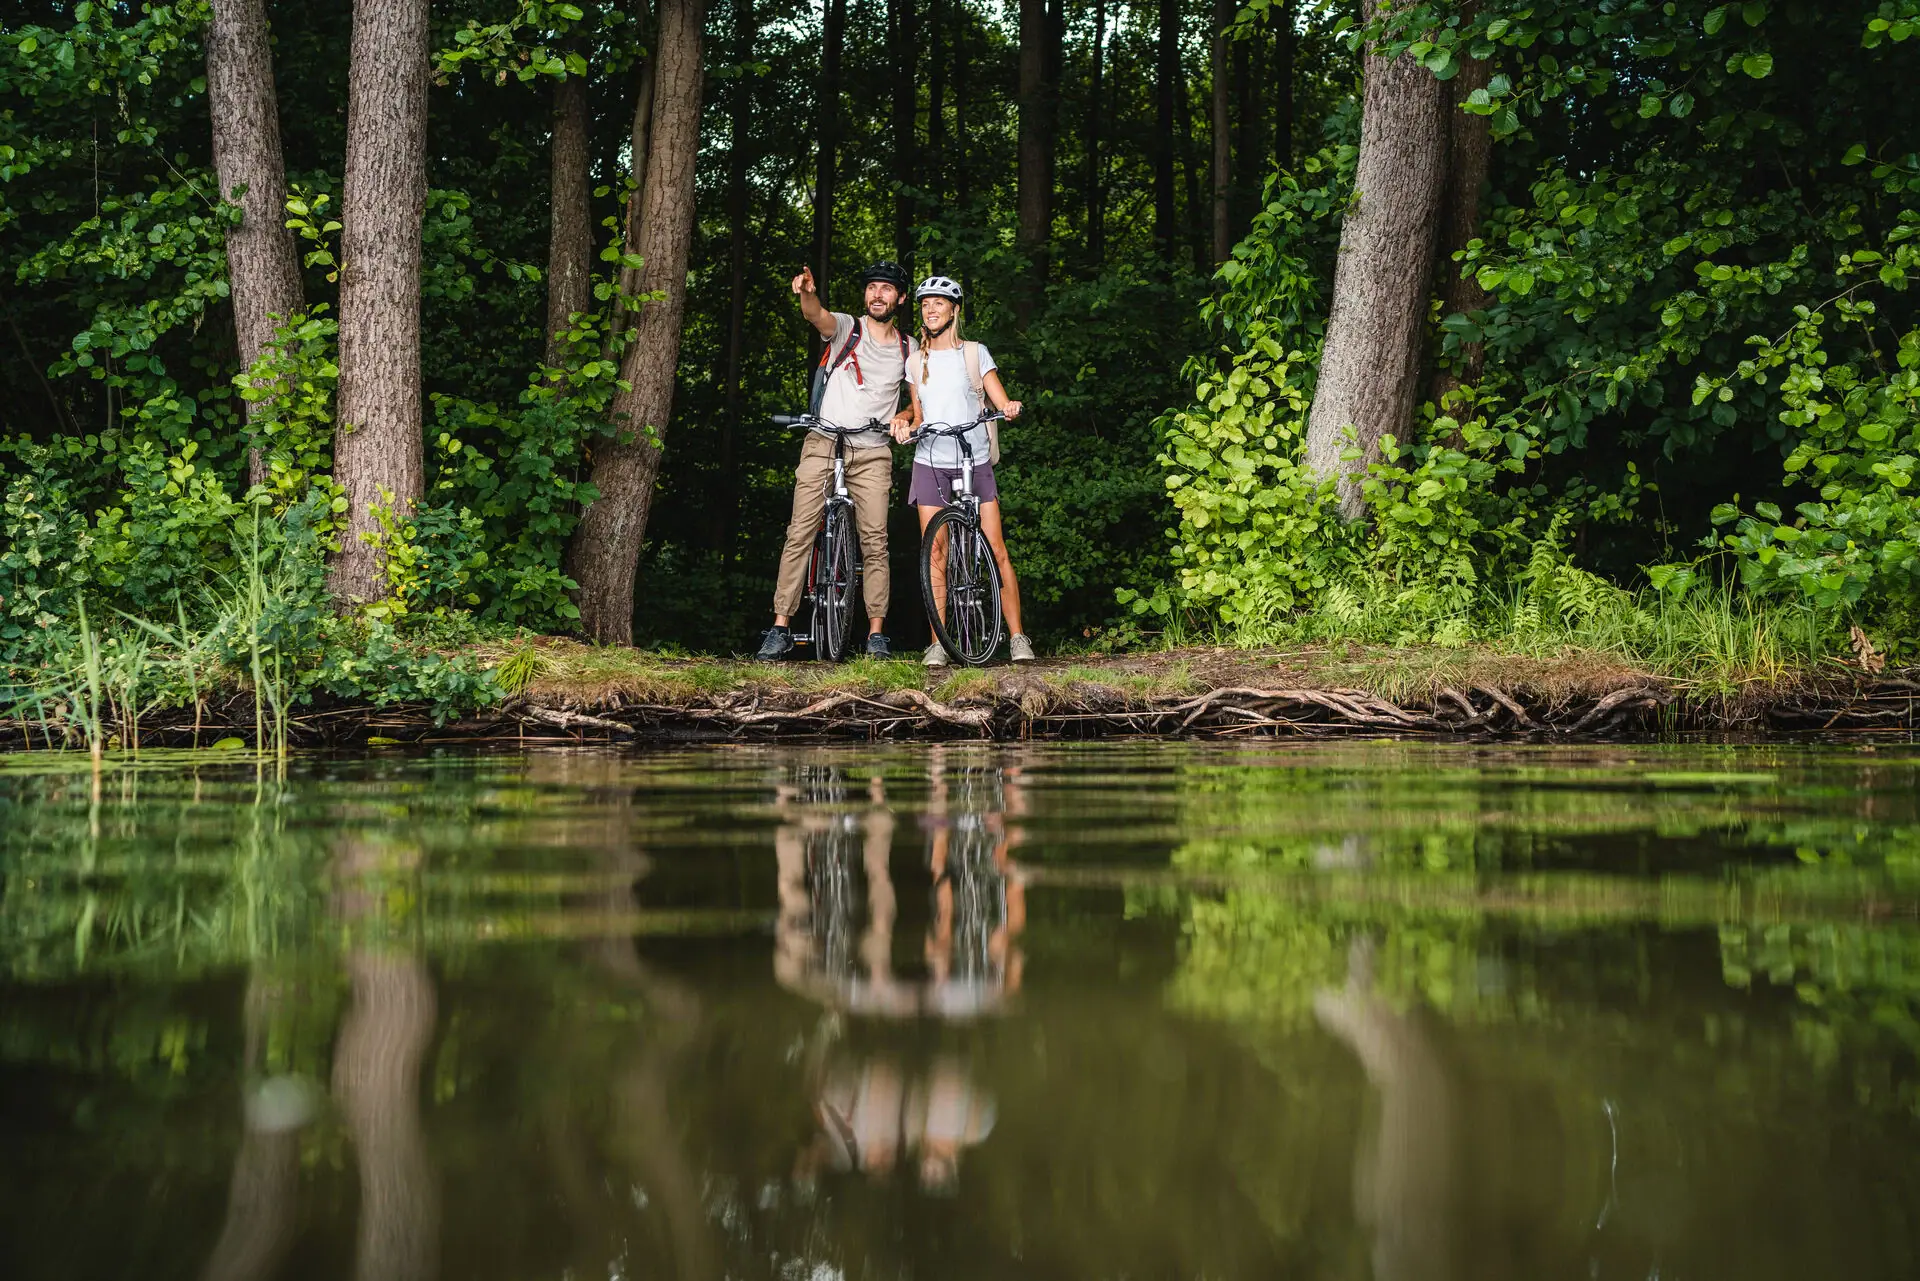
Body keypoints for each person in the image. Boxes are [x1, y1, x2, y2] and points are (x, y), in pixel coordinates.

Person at [757, 261, 918, 661]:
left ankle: (876, 634)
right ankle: (780, 627)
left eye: (887, 289)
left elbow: (919, 406)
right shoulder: (849, 327)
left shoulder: (909, 348)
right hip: (824, 440)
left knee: (875, 542)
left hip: (873, 451)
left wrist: (905, 417)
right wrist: (806, 293)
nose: (877, 294)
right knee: (800, 532)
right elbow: (816, 315)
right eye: (872, 288)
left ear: (899, 298)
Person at [893, 275, 1035, 665]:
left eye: (939, 303)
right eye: (925, 304)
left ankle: (1018, 637)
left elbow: (999, 398)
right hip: (930, 463)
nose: (931, 309)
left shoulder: (974, 353)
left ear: (954, 309)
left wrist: (1009, 407)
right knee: (935, 552)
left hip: (972, 461)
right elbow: (920, 415)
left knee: (996, 548)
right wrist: (908, 426)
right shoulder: (915, 360)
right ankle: (938, 642)